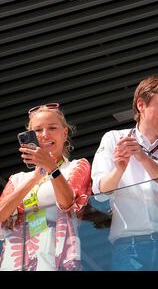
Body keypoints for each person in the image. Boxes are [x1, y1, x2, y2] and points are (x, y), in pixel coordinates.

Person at [91, 76, 158, 271]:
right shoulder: (113, 138)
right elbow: (99, 192)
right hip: (128, 246)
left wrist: (142, 157)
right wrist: (119, 169)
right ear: (141, 104)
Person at [0, 103, 91, 271]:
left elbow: (68, 203)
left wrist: (51, 168)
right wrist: (35, 177)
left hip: (57, 256)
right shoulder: (18, 179)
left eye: (52, 128)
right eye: (37, 130)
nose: (45, 135)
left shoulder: (76, 167)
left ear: (64, 133)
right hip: (19, 260)